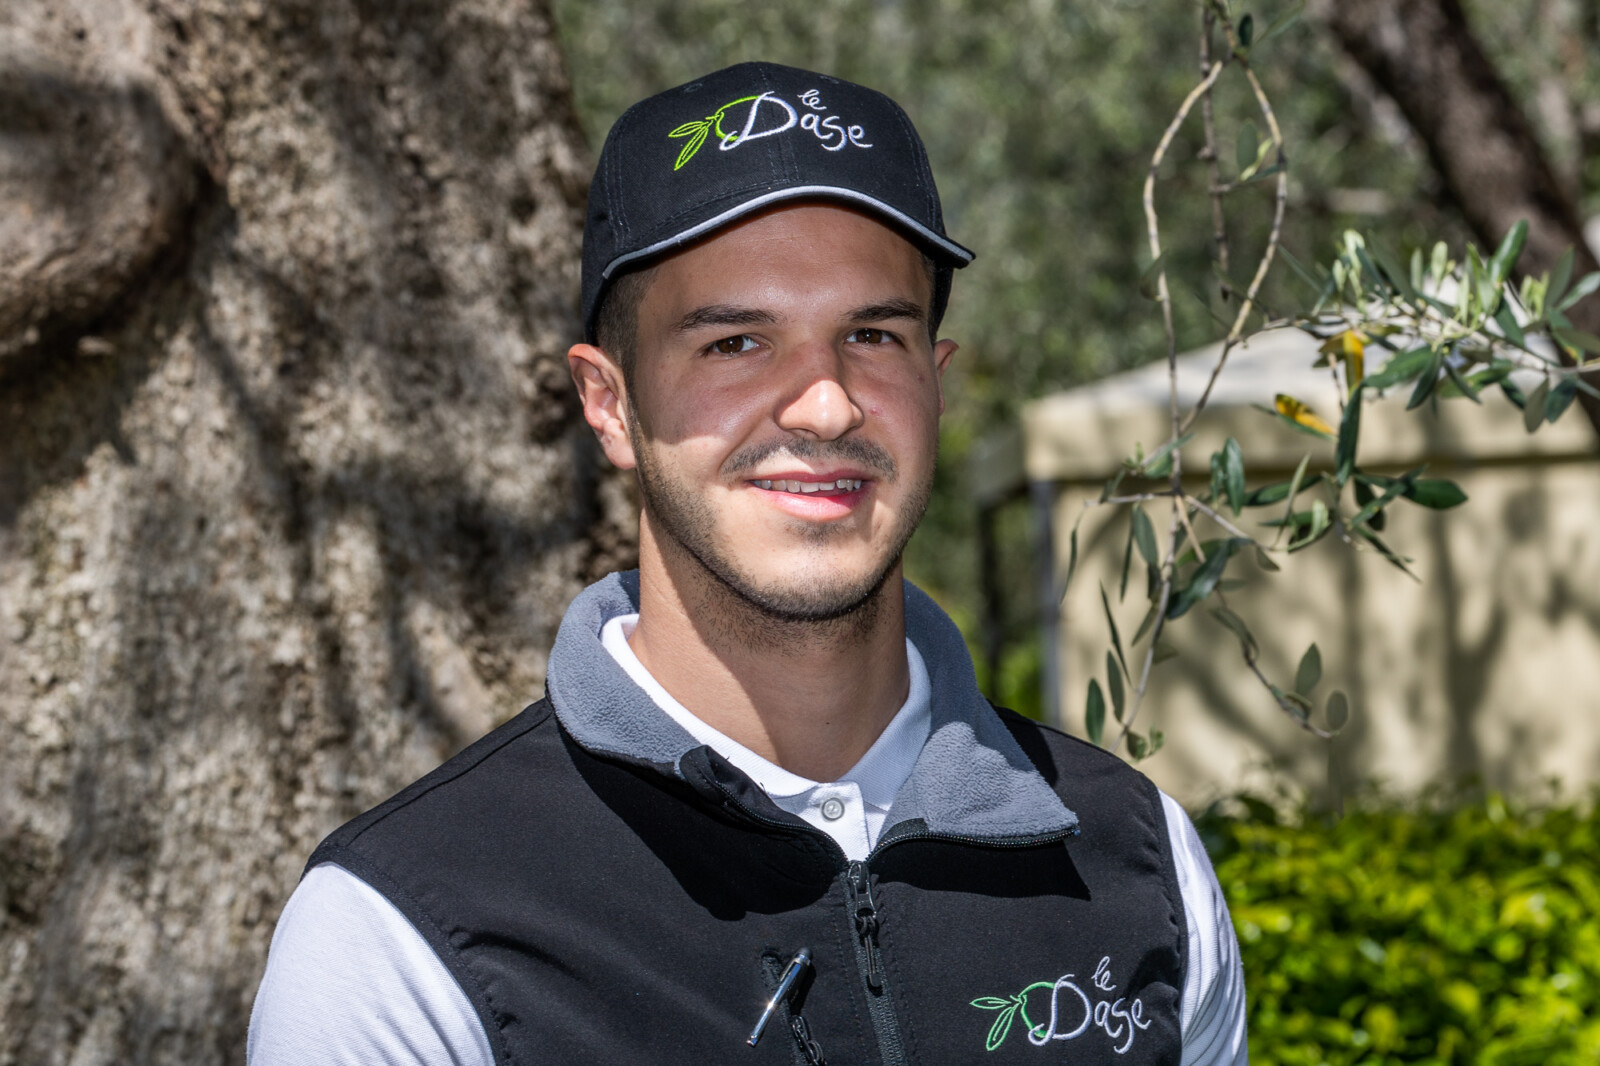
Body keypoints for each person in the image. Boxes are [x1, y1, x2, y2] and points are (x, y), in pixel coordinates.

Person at [247, 61, 1248, 1065]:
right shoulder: (405, 934)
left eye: (872, 334)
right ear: (609, 403)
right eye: (734, 342)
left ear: (935, 382)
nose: (826, 405)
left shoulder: (1139, 859)